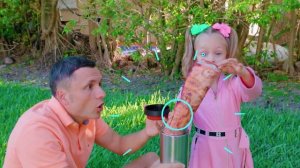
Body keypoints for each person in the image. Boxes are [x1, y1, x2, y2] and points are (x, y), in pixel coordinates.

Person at [4, 56, 184, 168]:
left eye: (99, 85)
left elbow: (121, 145)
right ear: (63, 96)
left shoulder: (85, 116)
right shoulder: (37, 132)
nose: (101, 93)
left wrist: (147, 132)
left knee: (151, 159)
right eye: (89, 87)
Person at [181, 23, 262, 168]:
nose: (211, 59)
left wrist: (243, 72)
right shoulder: (189, 88)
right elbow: (181, 120)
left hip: (232, 147)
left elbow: (254, 91)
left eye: (218, 53)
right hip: (204, 148)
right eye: (204, 54)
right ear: (195, 56)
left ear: (227, 55)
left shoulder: (234, 83)